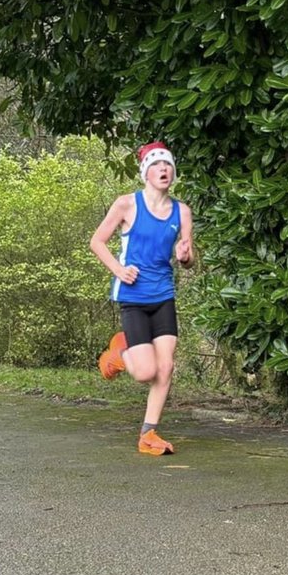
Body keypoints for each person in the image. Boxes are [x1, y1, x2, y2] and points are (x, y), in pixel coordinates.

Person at [90, 142, 193, 456]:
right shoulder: (127, 204)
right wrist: (119, 270)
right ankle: (120, 352)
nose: (164, 170)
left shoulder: (182, 211)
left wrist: (185, 255)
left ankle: (148, 434)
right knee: (145, 372)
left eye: (168, 166)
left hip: (164, 295)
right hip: (133, 296)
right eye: (157, 166)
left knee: (166, 368)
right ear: (145, 172)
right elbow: (97, 241)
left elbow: (188, 258)